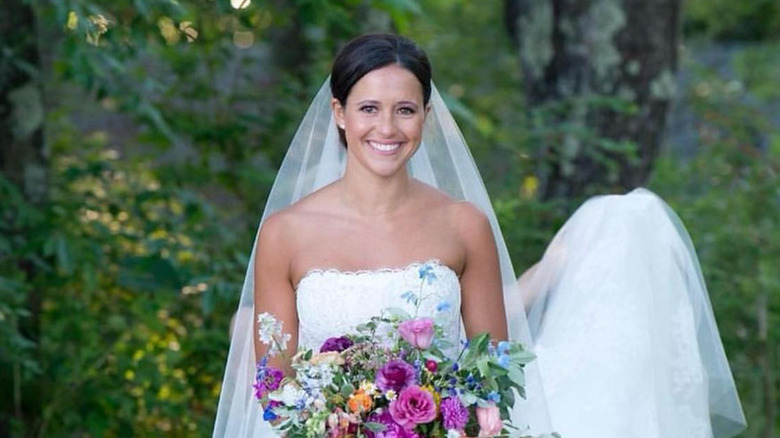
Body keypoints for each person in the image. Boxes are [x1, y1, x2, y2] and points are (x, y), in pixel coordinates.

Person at [212, 33, 746, 438]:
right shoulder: (287, 233)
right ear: (340, 115)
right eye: (369, 109)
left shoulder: (463, 224)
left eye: (406, 110)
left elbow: (494, 371)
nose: (388, 128)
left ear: (426, 116)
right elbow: (273, 388)